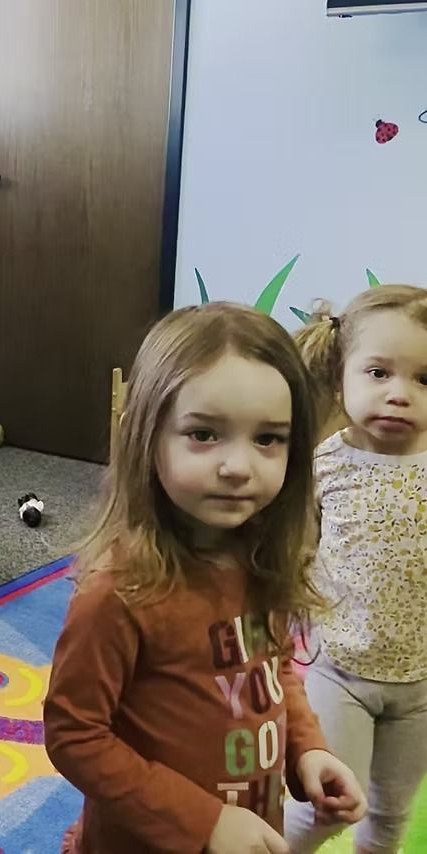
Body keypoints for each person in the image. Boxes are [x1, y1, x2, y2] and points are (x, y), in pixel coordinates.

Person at [44, 303, 367, 854]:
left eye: (268, 439)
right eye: (203, 434)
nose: (238, 466)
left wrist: (308, 751)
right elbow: (74, 735)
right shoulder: (118, 591)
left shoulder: (259, 558)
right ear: (147, 437)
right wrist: (203, 822)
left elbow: (270, 670)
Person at [285, 286, 427, 853]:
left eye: (425, 379)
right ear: (340, 377)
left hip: (421, 684)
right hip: (340, 672)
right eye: (378, 372)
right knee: (325, 810)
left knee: (391, 817)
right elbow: (296, 548)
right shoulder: (326, 463)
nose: (399, 394)